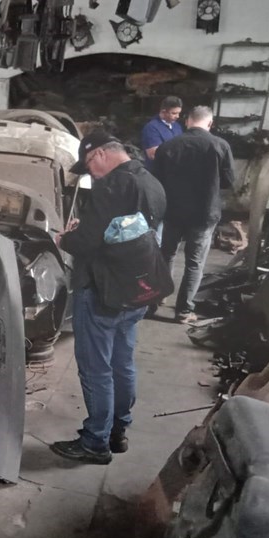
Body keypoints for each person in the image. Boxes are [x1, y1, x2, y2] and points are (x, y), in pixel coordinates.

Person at [51, 132, 166, 465]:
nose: (91, 173)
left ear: (100, 154)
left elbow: (86, 243)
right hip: (139, 288)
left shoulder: (112, 186)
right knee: (122, 363)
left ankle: (94, 442)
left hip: (103, 291)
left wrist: (64, 239)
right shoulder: (152, 183)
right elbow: (126, 232)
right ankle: (118, 430)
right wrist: (88, 228)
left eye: (89, 165)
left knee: (96, 369)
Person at [152, 105, 236, 324]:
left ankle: (157, 298)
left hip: (173, 211)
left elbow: (156, 181)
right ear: (210, 123)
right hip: (204, 213)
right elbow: (228, 181)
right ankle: (184, 311)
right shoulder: (220, 145)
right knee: (194, 262)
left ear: (187, 121)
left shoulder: (168, 146)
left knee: (166, 255)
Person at [140, 96, 183, 171]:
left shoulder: (177, 126)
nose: (177, 116)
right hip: (158, 171)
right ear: (163, 112)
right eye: (174, 113)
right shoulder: (151, 128)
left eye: (179, 113)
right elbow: (153, 155)